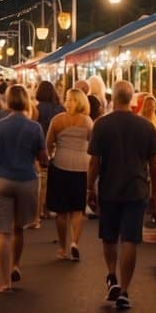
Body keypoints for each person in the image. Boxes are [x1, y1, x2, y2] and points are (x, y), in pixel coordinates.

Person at [87, 80, 156, 310]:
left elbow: (94, 162)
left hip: (109, 187)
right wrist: (155, 193)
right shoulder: (146, 126)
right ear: (132, 100)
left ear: (114, 98)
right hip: (136, 188)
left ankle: (112, 275)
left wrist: (90, 188)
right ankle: (126, 290)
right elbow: (155, 164)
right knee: (130, 239)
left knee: (109, 236)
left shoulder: (101, 125)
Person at [0, 85, 47, 293]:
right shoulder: (35, 128)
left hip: (3, 180)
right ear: (26, 101)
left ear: (7, 101)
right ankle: (15, 264)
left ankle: (5, 280)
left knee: (3, 231)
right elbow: (43, 159)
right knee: (18, 228)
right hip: (26, 180)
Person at [45, 89, 92, 261]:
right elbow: (93, 146)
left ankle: (62, 248)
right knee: (78, 209)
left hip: (60, 165)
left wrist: (50, 157)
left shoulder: (57, 120)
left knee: (61, 211)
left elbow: (48, 144)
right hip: (81, 166)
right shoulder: (87, 122)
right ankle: (75, 243)